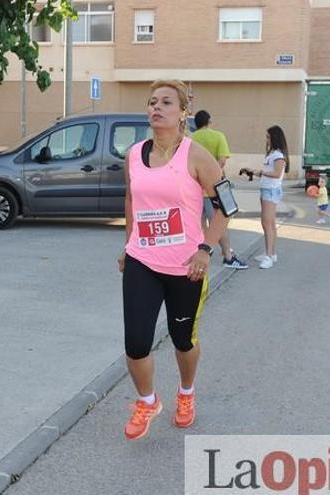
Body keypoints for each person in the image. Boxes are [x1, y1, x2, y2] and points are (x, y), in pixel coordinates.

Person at [117, 80, 229, 440]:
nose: (156, 107)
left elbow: (226, 207)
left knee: (183, 340)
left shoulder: (196, 156)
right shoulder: (134, 154)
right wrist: (128, 240)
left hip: (186, 267)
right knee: (135, 342)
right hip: (141, 261)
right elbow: (132, 200)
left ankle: (186, 392)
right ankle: (148, 401)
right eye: (152, 102)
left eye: (166, 102)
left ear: (183, 112)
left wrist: (205, 248)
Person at [190, 110, 248, 270]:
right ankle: (228, 256)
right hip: (213, 189)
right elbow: (222, 160)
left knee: (199, 224)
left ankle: (200, 252)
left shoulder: (190, 139)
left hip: (193, 189)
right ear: (209, 121)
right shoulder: (218, 136)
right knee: (218, 223)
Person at [251, 125, 289, 269]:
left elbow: (277, 174)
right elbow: (269, 171)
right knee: (269, 223)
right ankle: (271, 254)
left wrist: (261, 172)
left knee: (268, 224)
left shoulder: (278, 155)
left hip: (271, 191)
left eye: (268, 137)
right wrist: (256, 172)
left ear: (275, 138)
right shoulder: (272, 153)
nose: (266, 139)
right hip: (266, 190)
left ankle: (268, 257)